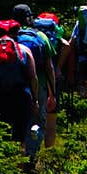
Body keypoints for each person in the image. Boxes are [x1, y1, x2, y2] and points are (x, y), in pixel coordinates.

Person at [0, 19, 39, 155]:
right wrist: (35, 99)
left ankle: (3, 171)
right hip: (21, 97)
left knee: (2, 136)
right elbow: (33, 77)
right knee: (20, 138)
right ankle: (20, 172)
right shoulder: (24, 50)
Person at [13, 4, 56, 155]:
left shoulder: (10, 38)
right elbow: (49, 67)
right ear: (30, 18)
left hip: (14, 87)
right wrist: (53, 92)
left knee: (17, 122)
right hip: (39, 86)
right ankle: (31, 156)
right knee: (37, 122)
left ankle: (16, 157)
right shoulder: (40, 36)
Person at [32, 11, 69, 147]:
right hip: (52, 79)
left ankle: (30, 152)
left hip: (34, 80)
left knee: (33, 118)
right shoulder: (56, 37)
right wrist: (59, 66)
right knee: (51, 117)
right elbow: (66, 45)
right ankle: (49, 151)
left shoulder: (35, 35)